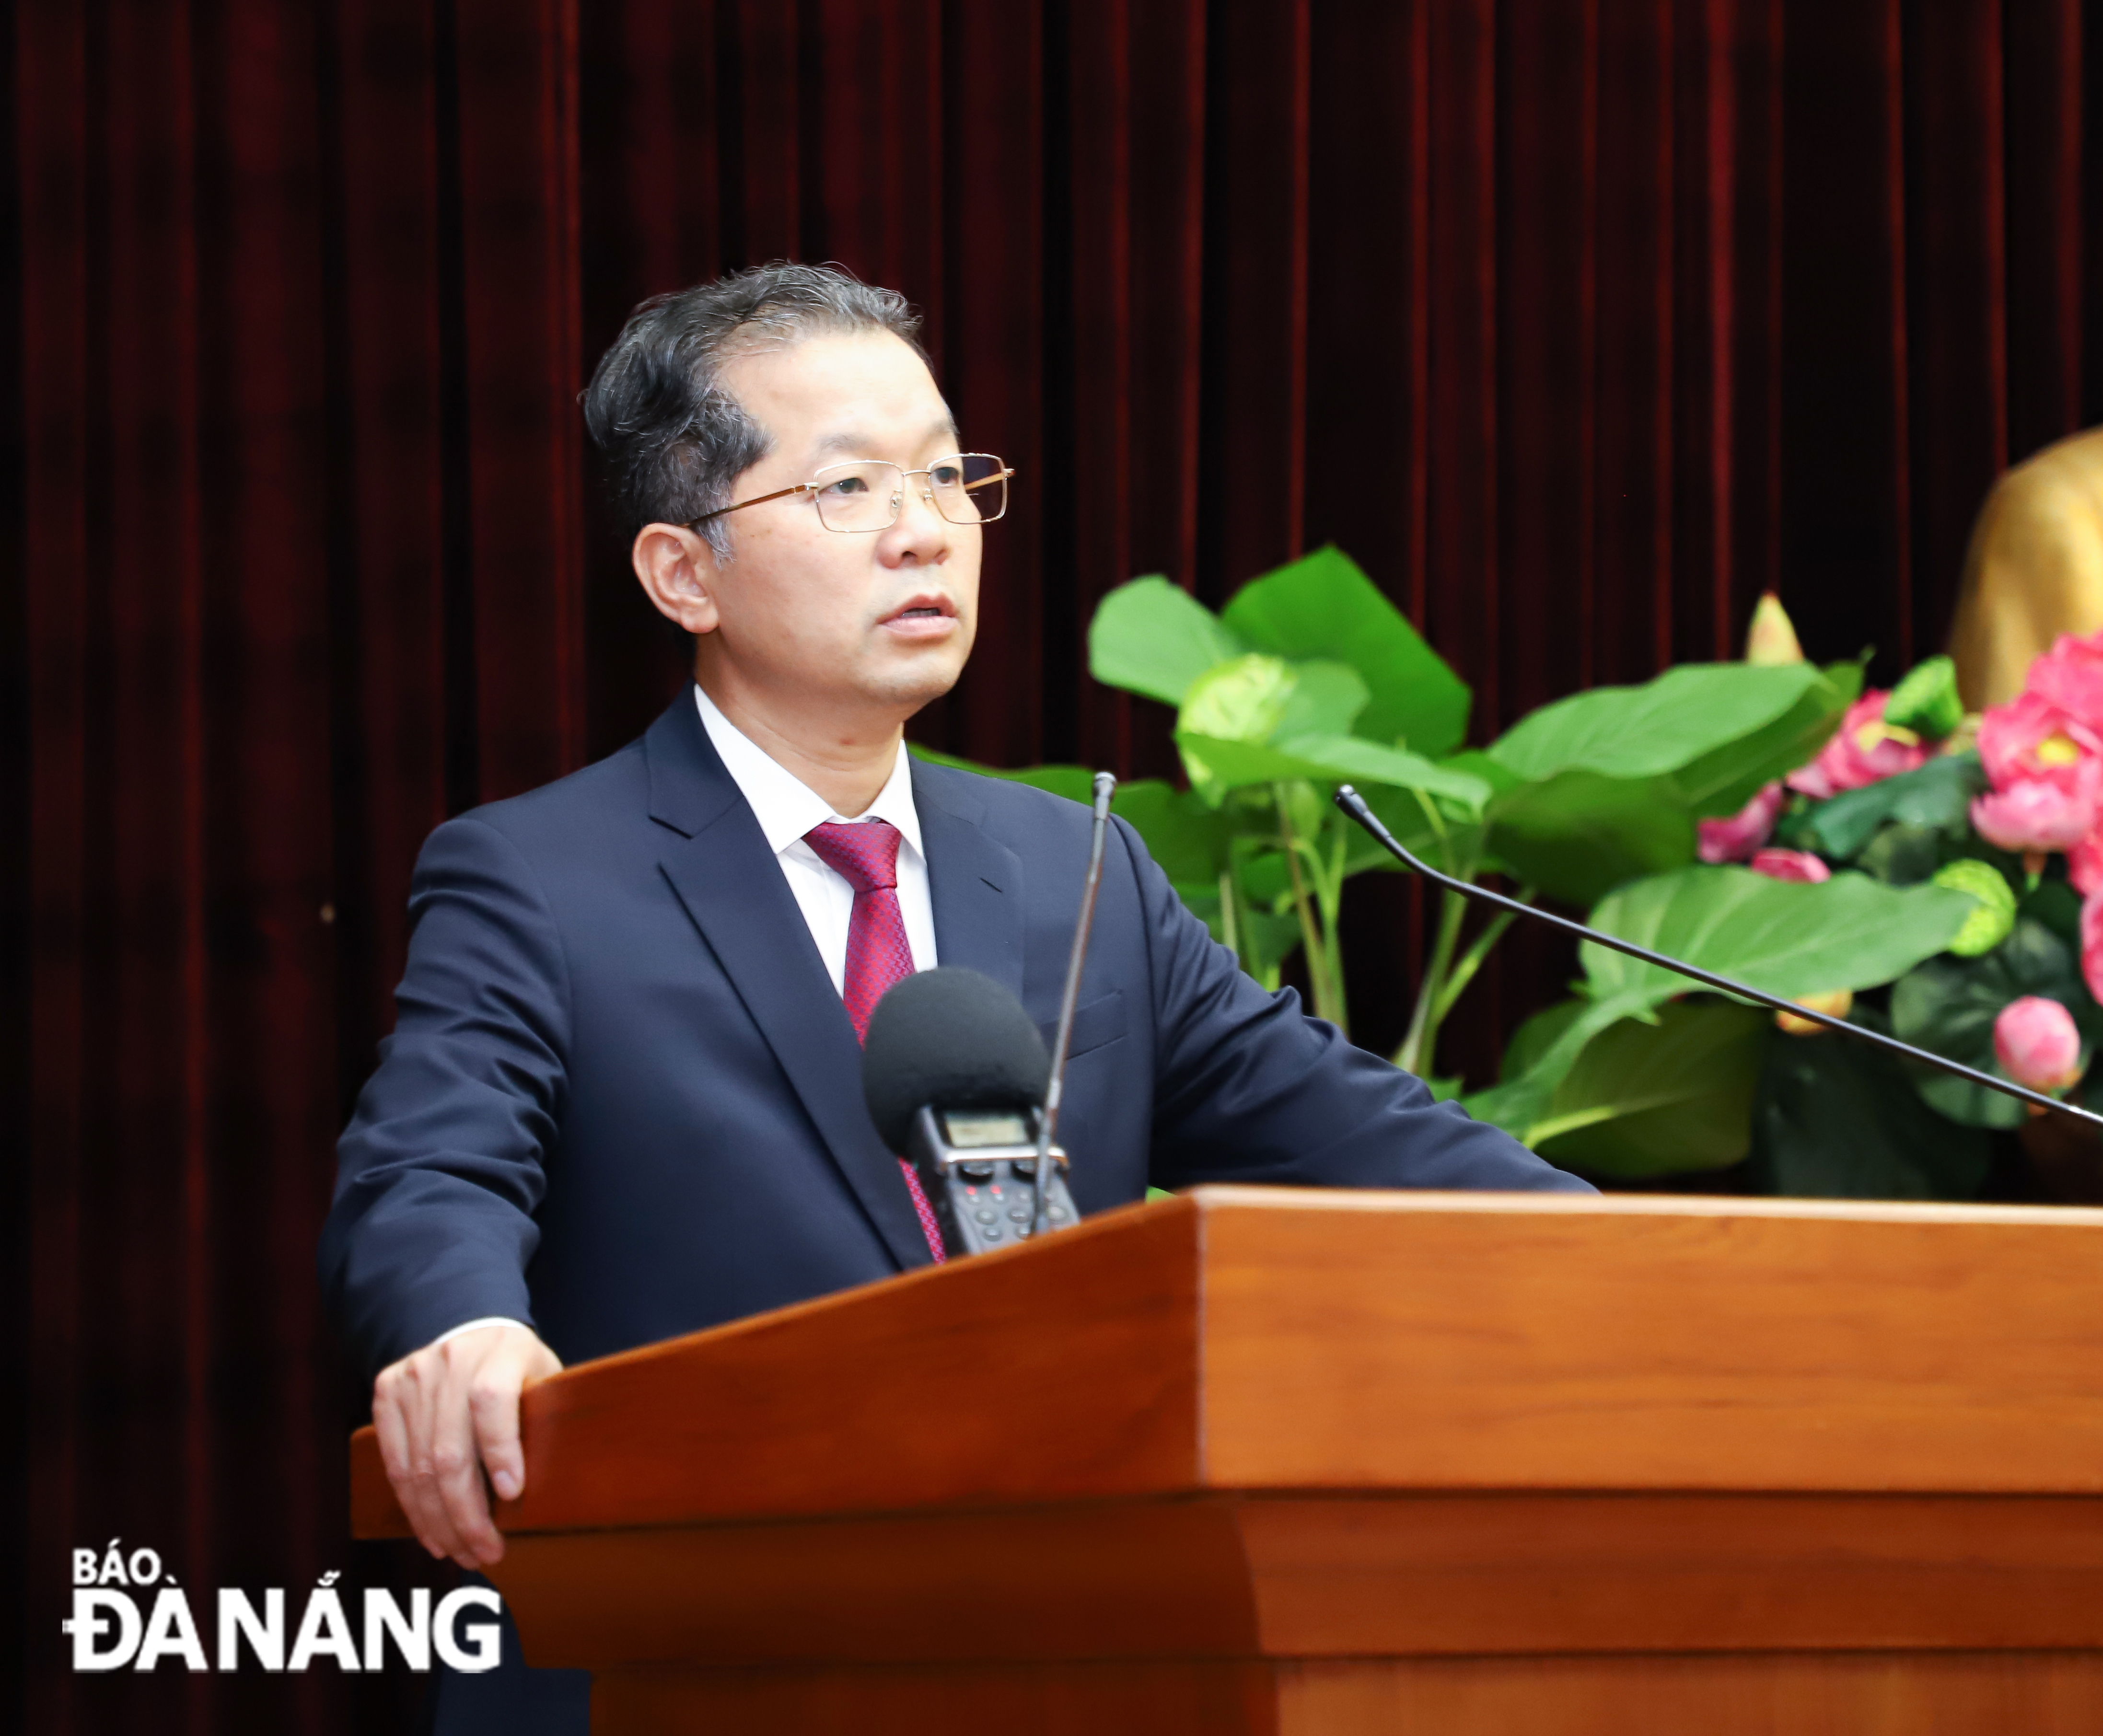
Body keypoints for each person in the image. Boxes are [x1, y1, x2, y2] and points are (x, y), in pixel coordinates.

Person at [320, 261, 1589, 1733]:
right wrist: (462, 1324)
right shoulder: (539, 877)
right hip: (684, 1663)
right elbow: (430, 1170)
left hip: (1055, 1664)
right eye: (847, 490)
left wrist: (1639, 1275)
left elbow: (1385, 1155)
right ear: (683, 574)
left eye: (946, 475)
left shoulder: (1077, 872)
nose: (925, 531)